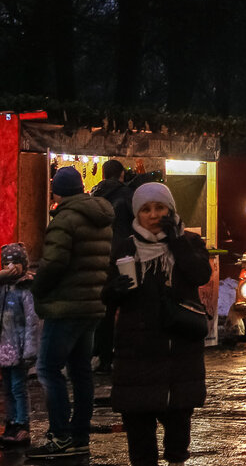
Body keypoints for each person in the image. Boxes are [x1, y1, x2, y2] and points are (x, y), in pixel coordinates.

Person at [104, 183, 212, 466]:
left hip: (178, 352)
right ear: (137, 214)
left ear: (171, 210)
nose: (153, 215)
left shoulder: (189, 242)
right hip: (136, 353)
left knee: (177, 436)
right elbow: (106, 295)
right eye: (146, 209)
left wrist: (176, 241)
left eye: (160, 208)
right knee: (140, 443)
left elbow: (200, 274)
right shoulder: (126, 247)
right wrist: (114, 290)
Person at [28, 166, 114, 459]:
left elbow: (54, 264)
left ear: (57, 191)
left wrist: (36, 287)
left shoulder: (64, 220)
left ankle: (60, 436)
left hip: (64, 306)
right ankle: (79, 436)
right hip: (91, 305)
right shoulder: (100, 219)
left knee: (48, 369)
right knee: (81, 373)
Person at [91, 159, 133, 374]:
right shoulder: (127, 195)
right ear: (121, 174)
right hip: (123, 257)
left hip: (99, 257)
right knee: (128, 305)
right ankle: (124, 354)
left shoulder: (93, 196)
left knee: (104, 308)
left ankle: (102, 355)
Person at [0, 243, 39, 447]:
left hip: (19, 347)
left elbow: (32, 321)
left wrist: (30, 349)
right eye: (7, 263)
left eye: (16, 262)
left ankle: (22, 423)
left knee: (18, 387)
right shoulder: (3, 288)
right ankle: (11, 422)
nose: (11, 267)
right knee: (7, 388)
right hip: (4, 349)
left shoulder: (25, 289)